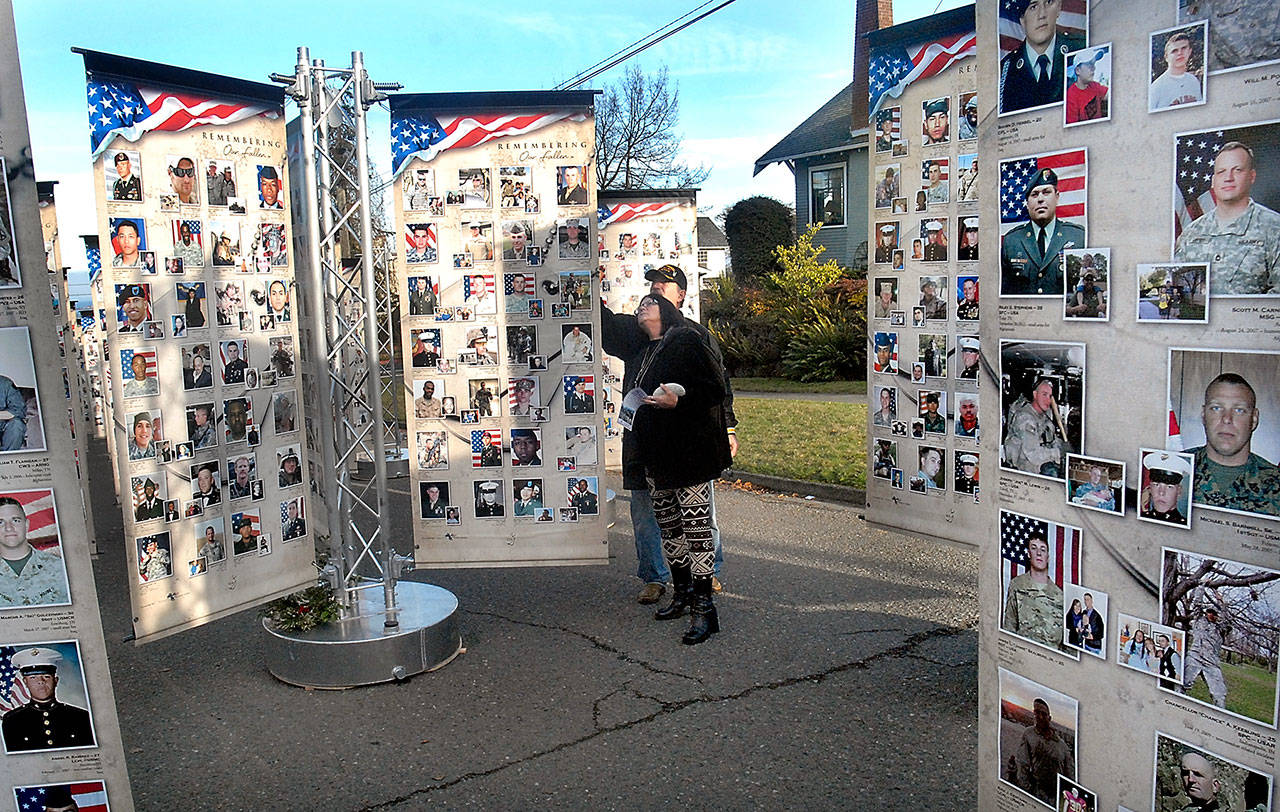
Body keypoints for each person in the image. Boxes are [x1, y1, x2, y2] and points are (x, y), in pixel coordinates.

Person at [605, 292, 730, 643]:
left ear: (668, 311)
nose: (642, 307)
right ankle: (682, 593)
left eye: (650, 303)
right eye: (640, 305)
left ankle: (705, 609)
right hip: (655, 456)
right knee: (670, 529)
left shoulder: (686, 339)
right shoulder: (644, 351)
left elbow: (714, 388)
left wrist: (679, 401)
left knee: (696, 530)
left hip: (689, 454)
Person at [1174, 142, 1280, 295]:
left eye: (1237, 170)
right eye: (1221, 172)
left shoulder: (1274, 228)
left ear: (1252, 176)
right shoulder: (1191, 233)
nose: (1228, 178)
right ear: (1213, 180)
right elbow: (1177, 286)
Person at [1184, 373, 1280, 517]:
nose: (1227, 419)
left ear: (1254, 419)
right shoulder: (1176, 471)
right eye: (1216, 408)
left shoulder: (1275, 483)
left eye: (1239, 410)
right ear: (1204, 415)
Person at [1002, 168, 1086, 295]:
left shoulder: (1078, 236)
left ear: (1057, 197)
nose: (1040, 199)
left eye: (1046, 192)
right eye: (1034, 194)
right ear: (1027, 203)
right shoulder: (1012, 241)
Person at [998, 0, 1085, 115]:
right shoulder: (1007, 68)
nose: (1042, 15)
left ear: (1058, 7)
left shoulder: (1080, 49)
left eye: (1048, 2)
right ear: (1022, 20)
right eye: (1033, 7)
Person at [1, 647, 95, 752]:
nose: (40, 681)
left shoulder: (81, 717)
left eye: (46, 676)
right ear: (25, 682)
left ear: (56, 680)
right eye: (33, 678)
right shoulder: (12, 720)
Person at [0, 497, 70, 607]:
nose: (9, 528)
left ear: (26, 525)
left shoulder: (60, 568)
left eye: (16, 520)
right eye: (0, 522)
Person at [1006, 697, 1074, 805]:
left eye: (1044, 714)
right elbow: (1023, 763)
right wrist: (1026, 789)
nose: (1040, 717)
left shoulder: (1062, 746)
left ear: (1049, 717)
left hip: (1056, 797)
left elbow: (1069, 775)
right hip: (1036, 791)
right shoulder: (1029, 734)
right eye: (1037, 713)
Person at [1002, 531, 1063, 649]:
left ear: (1048, 557)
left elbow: (1066, 644)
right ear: (1029, 554)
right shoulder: (1018, 585)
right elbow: (1009, 627)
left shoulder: (1059, 596)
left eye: (1043, 549)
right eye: (1034, 548)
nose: (1039, 553)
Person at [1004, 377, 1068, 477]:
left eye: (1050, 396)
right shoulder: (1025, 418)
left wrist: (1063, 447)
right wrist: (1059, 452)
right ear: (1035, 395)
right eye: (1044, 394)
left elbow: (1052, 439)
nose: (1048, 399)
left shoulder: (1045, 416)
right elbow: (1033, 455)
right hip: (1025, 467)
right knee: (1052, 473)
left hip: (1042, 462)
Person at [1183, 594, 1230, 708]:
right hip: (1195, 657)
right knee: (1181, 683)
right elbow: (1197, 605)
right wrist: (1202, 586)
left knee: (1219, 695)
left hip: (1211, 664)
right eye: (1209, 612)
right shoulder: (1199, 620)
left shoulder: (1220, 629)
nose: (1211, 614)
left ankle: (1220, 716)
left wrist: (1221, 603)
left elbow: (1226, 619)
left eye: (1214, 613)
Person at [1150, 32, 1203, 110]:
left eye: (1184, 48)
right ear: (1166, 57)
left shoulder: (1193, 81)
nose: (1180, 53)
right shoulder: (1156, 87)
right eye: (1174, 51)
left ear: (1189, 51)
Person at [1141, 450, 1190, 524]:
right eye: (1156, 485)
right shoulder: (1142, 517)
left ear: (1179, 491)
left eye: (1169, 487)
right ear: (1150, 488)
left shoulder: (1183, 524)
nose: (1161, 492)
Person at [1065, 52, 1108, 124]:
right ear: (1078, 70)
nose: (1094, 68)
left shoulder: (1094, 85)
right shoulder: (1070, 96)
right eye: (1089, 65)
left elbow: (1110, 95)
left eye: (1093, 64)